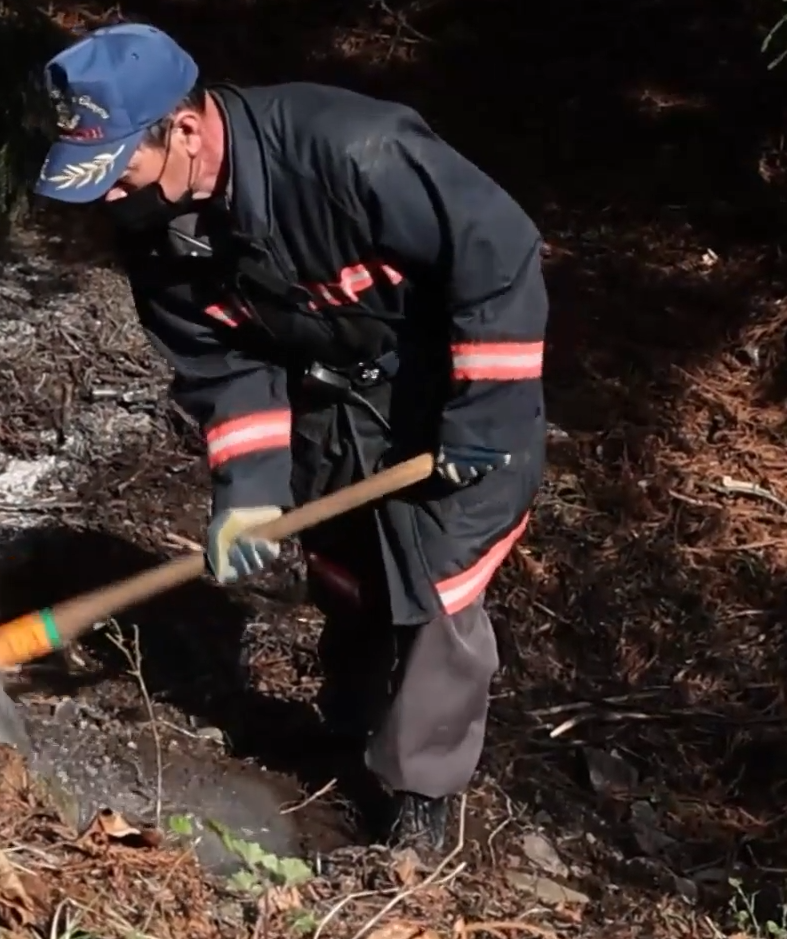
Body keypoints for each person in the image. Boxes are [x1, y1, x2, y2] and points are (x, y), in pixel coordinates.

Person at [31, 22, 547, 853]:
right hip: (332, 402)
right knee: (347, 572)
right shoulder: (156, 226)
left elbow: (497, 257)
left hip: (453, 388)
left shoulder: (354, 153)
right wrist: (247, 493)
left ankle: (418, 799)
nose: (108, 198)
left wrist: (480, 418)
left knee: (437, 592)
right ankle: (348, 732)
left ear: (184, 129)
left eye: (119, 169)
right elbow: (220, 361)